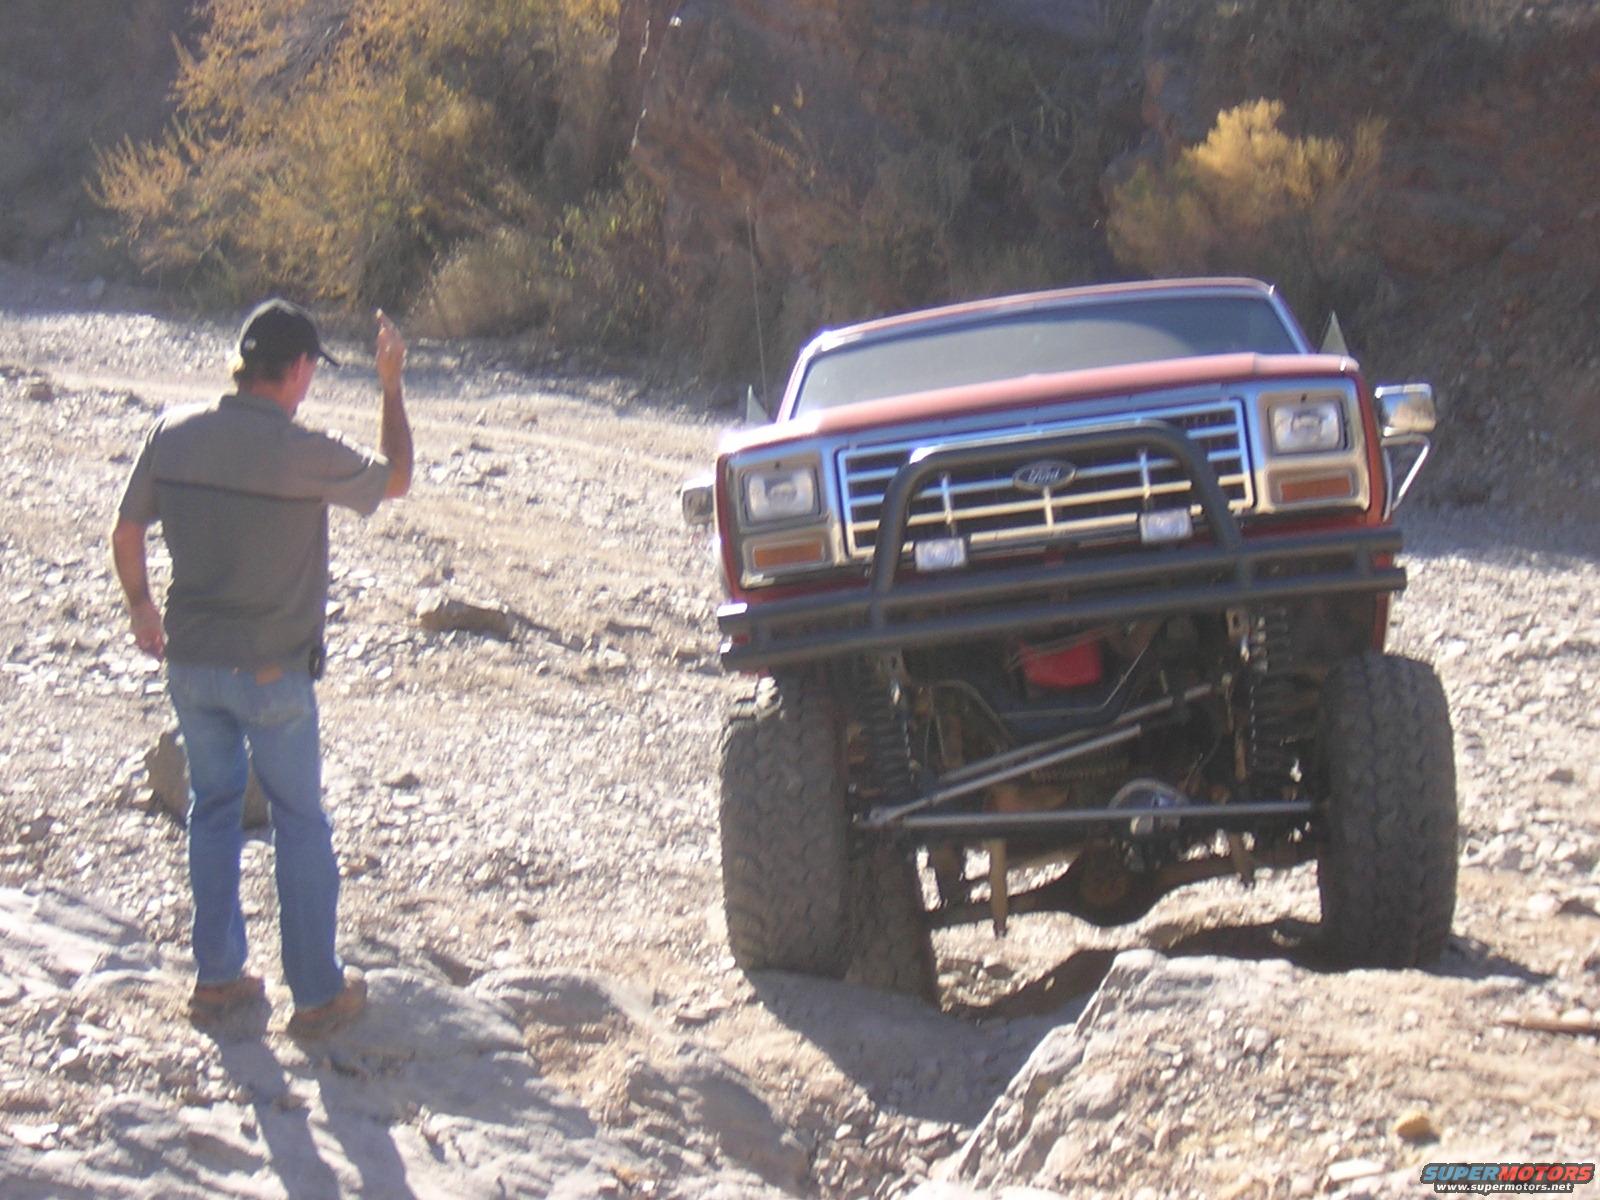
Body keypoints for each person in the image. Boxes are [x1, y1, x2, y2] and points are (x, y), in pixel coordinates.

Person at [111, 299, 413, 1037]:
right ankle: (315, 993)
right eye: (312, 370)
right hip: (274, 670)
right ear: (300, 368)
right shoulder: (303, 451)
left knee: (212, 810)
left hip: (191, 662)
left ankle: (217, 979)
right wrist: (391, 385)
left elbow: (126, 529)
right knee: (299, 821)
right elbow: (397, 478)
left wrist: (141, 607)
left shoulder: (172, 432)